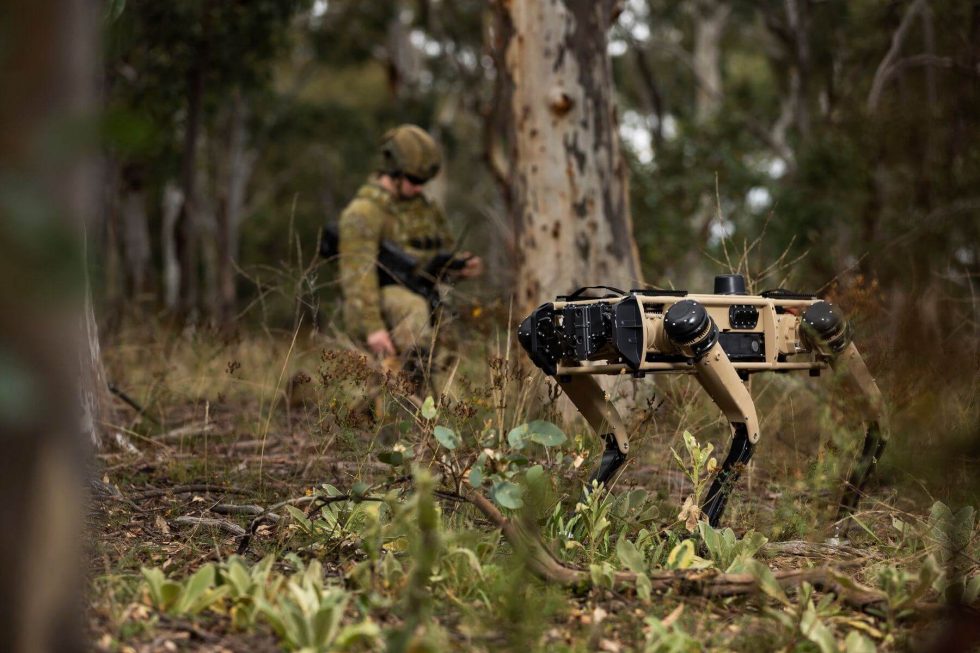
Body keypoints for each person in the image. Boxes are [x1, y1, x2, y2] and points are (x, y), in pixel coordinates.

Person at [338, 124, 482, 396]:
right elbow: (358, 277)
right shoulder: (364, 212)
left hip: (421, 295)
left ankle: (426, 406)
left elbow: (439, 257)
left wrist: (460, 267)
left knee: (442, 331)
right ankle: (412, 404)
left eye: (423, 183)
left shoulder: (425, 211)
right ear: (393, 171)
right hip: (374, 303)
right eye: (414, 181)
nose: (419, 189)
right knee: (413, 310)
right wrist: (374, 328)